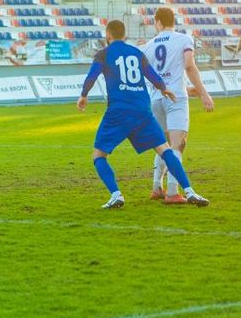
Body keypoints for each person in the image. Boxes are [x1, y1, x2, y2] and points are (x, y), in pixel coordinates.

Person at [76, 19, 209, 209]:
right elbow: (151, 74)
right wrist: (163, 88)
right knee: (165, 150)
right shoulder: (137, 53)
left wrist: (83, 95)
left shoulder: (103, 54)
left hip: (118, 112)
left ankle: (116, 195)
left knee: (99, 156)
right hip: (142, 111)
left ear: (108, 35)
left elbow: (92, 76)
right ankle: (189, 191)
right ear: (125, 35)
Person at [144, 7, 215, 204]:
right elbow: (190, 65)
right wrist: (203, 93)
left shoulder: (148, 46)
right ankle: (173, 192)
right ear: (173, 21)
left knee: (163, 145)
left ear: (158, 22)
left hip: (156, 99)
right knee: (178, 145)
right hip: (175, 100)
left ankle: (157, 187)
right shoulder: (184, 39)